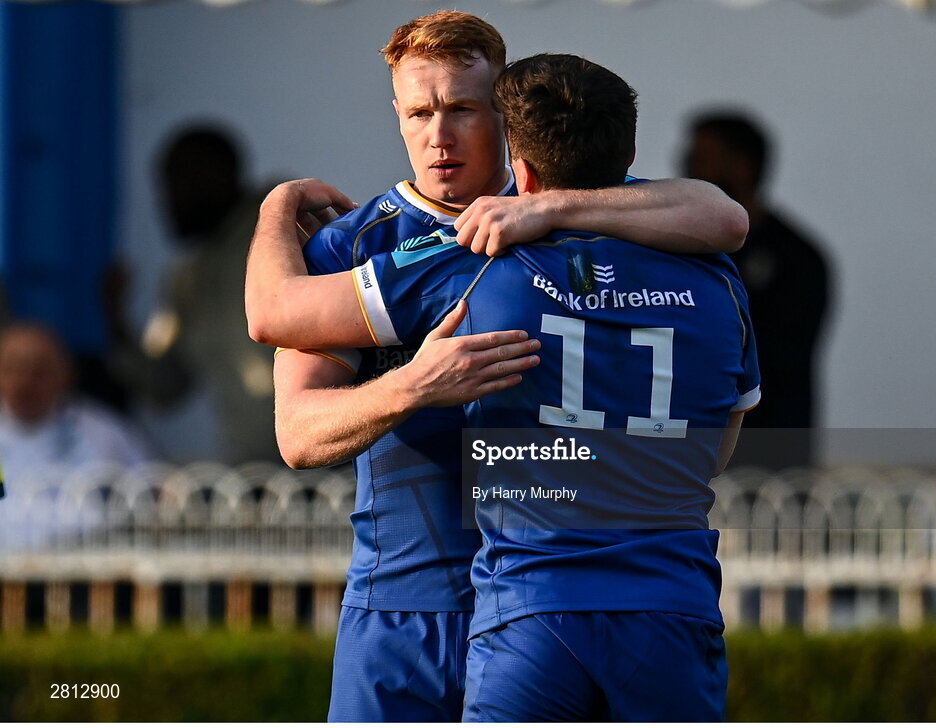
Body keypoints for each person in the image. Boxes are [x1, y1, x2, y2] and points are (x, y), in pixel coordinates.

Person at [245, 11, 748, 722]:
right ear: (396, 115)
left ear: (507, 123)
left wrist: (548, 211)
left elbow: (721, 216)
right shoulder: (352, 249)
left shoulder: (575, 205)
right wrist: (411, 386)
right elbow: (298, 435)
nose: (439, 134)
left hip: (538, 603)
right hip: (408, 603)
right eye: (420, 111)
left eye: (463, 110)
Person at [115, 125, 280, 465]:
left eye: (174, 184)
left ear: (216, 176)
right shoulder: (188, 279)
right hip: (254, 480)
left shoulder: (287, 230)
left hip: (330, 467)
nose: (166, 202)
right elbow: (164, 387)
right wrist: (114, 315)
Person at [683, 110, 830, 468]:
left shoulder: (797, 258)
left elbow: (776, 357)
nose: (687, 169)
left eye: (701, 158)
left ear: (742, 167)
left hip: (770, 457)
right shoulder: (684, 251)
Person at [0, 322, 152, 484]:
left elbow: (149, 485)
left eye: (39, 371)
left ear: (64, 376)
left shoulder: (102, 432)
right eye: (14, 369)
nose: (25, 382)